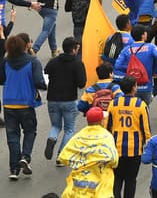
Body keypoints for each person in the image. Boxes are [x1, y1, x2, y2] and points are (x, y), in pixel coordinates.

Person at [2, 33, 47, 180]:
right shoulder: (33, 61)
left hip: (9, 103)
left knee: (12, 136)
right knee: (30, 131)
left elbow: (1, 79)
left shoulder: (5, 61)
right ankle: (25, 157)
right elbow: (39, 81)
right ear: (25, 46)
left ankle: (14, 169)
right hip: (26, 103)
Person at [57, 107, 119, 197]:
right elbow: (114, 161)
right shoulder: (107, 136)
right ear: (101, 121)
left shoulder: (79, 136)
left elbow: (63, 156)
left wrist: (81, 162)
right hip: (100, 187)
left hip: (78, 185)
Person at [106, 76, 149, 198]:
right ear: (134, 88)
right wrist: (147, 145)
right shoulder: (140, 105)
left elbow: (107, 126)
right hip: (134, 149)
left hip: (116, 148)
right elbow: (146, 129)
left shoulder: (113, 104)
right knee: (131, 180)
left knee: (116, 179)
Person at [44, 37, 86, 162]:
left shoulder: (54, 61)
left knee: (55, 126)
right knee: (69, 129)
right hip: (69, 100)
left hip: (52, 99)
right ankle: (61, 156)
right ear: (73, 49)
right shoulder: (77, 63)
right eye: (77, 49)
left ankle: (52, 138)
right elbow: (81, 84)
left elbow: (46, 72)